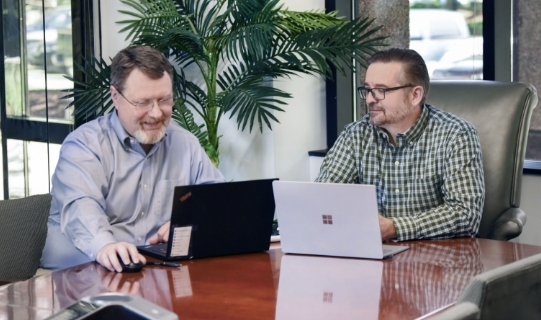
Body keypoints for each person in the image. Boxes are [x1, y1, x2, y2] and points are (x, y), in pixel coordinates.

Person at [40, 46, 225, 271]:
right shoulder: (83, 146)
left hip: (151, 270)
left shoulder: (184, 143)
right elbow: (82, 208)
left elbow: (216, 200)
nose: (156, 113)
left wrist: (191, 221)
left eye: (164, 100)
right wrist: (106, 246)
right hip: (81, 269)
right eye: (143, 102)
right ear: (116, 97)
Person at [315, 48, 484, 241]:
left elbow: (465, 214)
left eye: (381, 91)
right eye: (367, 89)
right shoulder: (356, 134)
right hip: (370, 256)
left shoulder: (455, 135)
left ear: (415, 95)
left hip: (437, 261)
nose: (370, 99)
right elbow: (324, 198)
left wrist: (395, 228)